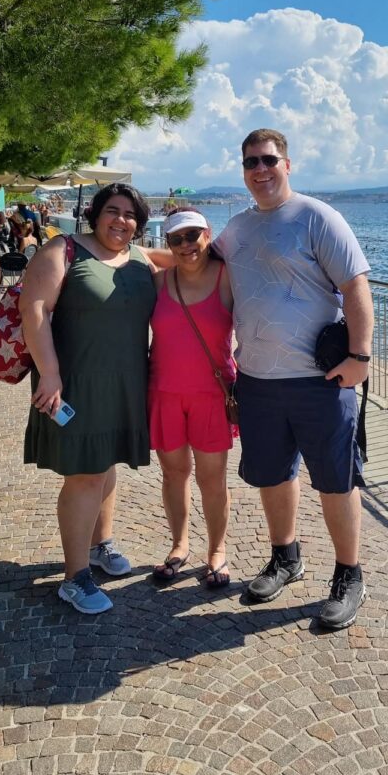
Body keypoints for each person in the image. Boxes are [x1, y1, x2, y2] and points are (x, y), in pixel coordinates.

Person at [214, 129, 374, 630]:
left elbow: (355, 286)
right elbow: (194, 267)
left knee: (336, 478)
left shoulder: (317, 217)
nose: (259, 170)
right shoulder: (237, 229)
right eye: (250, 163)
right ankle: (286, 557)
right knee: (273, 474)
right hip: (258, 379)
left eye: (268, 160)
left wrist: (361, 356)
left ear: (288, 164)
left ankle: (349, 575)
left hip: (319, 379)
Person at [19, 182, 158, 614]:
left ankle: (101, 544)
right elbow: (34, 310)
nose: (122, 220)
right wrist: (50, 374)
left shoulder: (140, 258)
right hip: (72, 383)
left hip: (124, 383)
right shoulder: (63, 250)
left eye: (131, 214)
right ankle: (75, 576)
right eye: (113, 210)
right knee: (84, 474)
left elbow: (197, 259)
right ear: (95, 214)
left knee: (106, 462)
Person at [148, 207, 235, 588]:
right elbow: (135, 254)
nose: (186, 245)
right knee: (174, 474)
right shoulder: (158, 281)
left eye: (193, 236)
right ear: (167, 243)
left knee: (212, 478)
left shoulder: (227, 277)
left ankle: (217, 549)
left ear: (207, 234)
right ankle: (179, 545)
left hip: (212, 395)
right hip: (164, 392)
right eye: (176, 239)